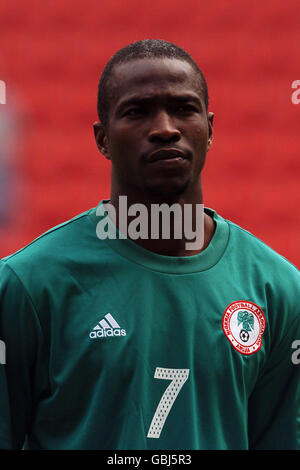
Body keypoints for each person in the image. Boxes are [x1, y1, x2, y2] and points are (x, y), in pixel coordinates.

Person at [0, 39, 299, 450]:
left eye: (184, 109)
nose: (165, 128)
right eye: (137, 112)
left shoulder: (278, 289)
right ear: (102, 139)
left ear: (210, 130)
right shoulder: (29, 285)